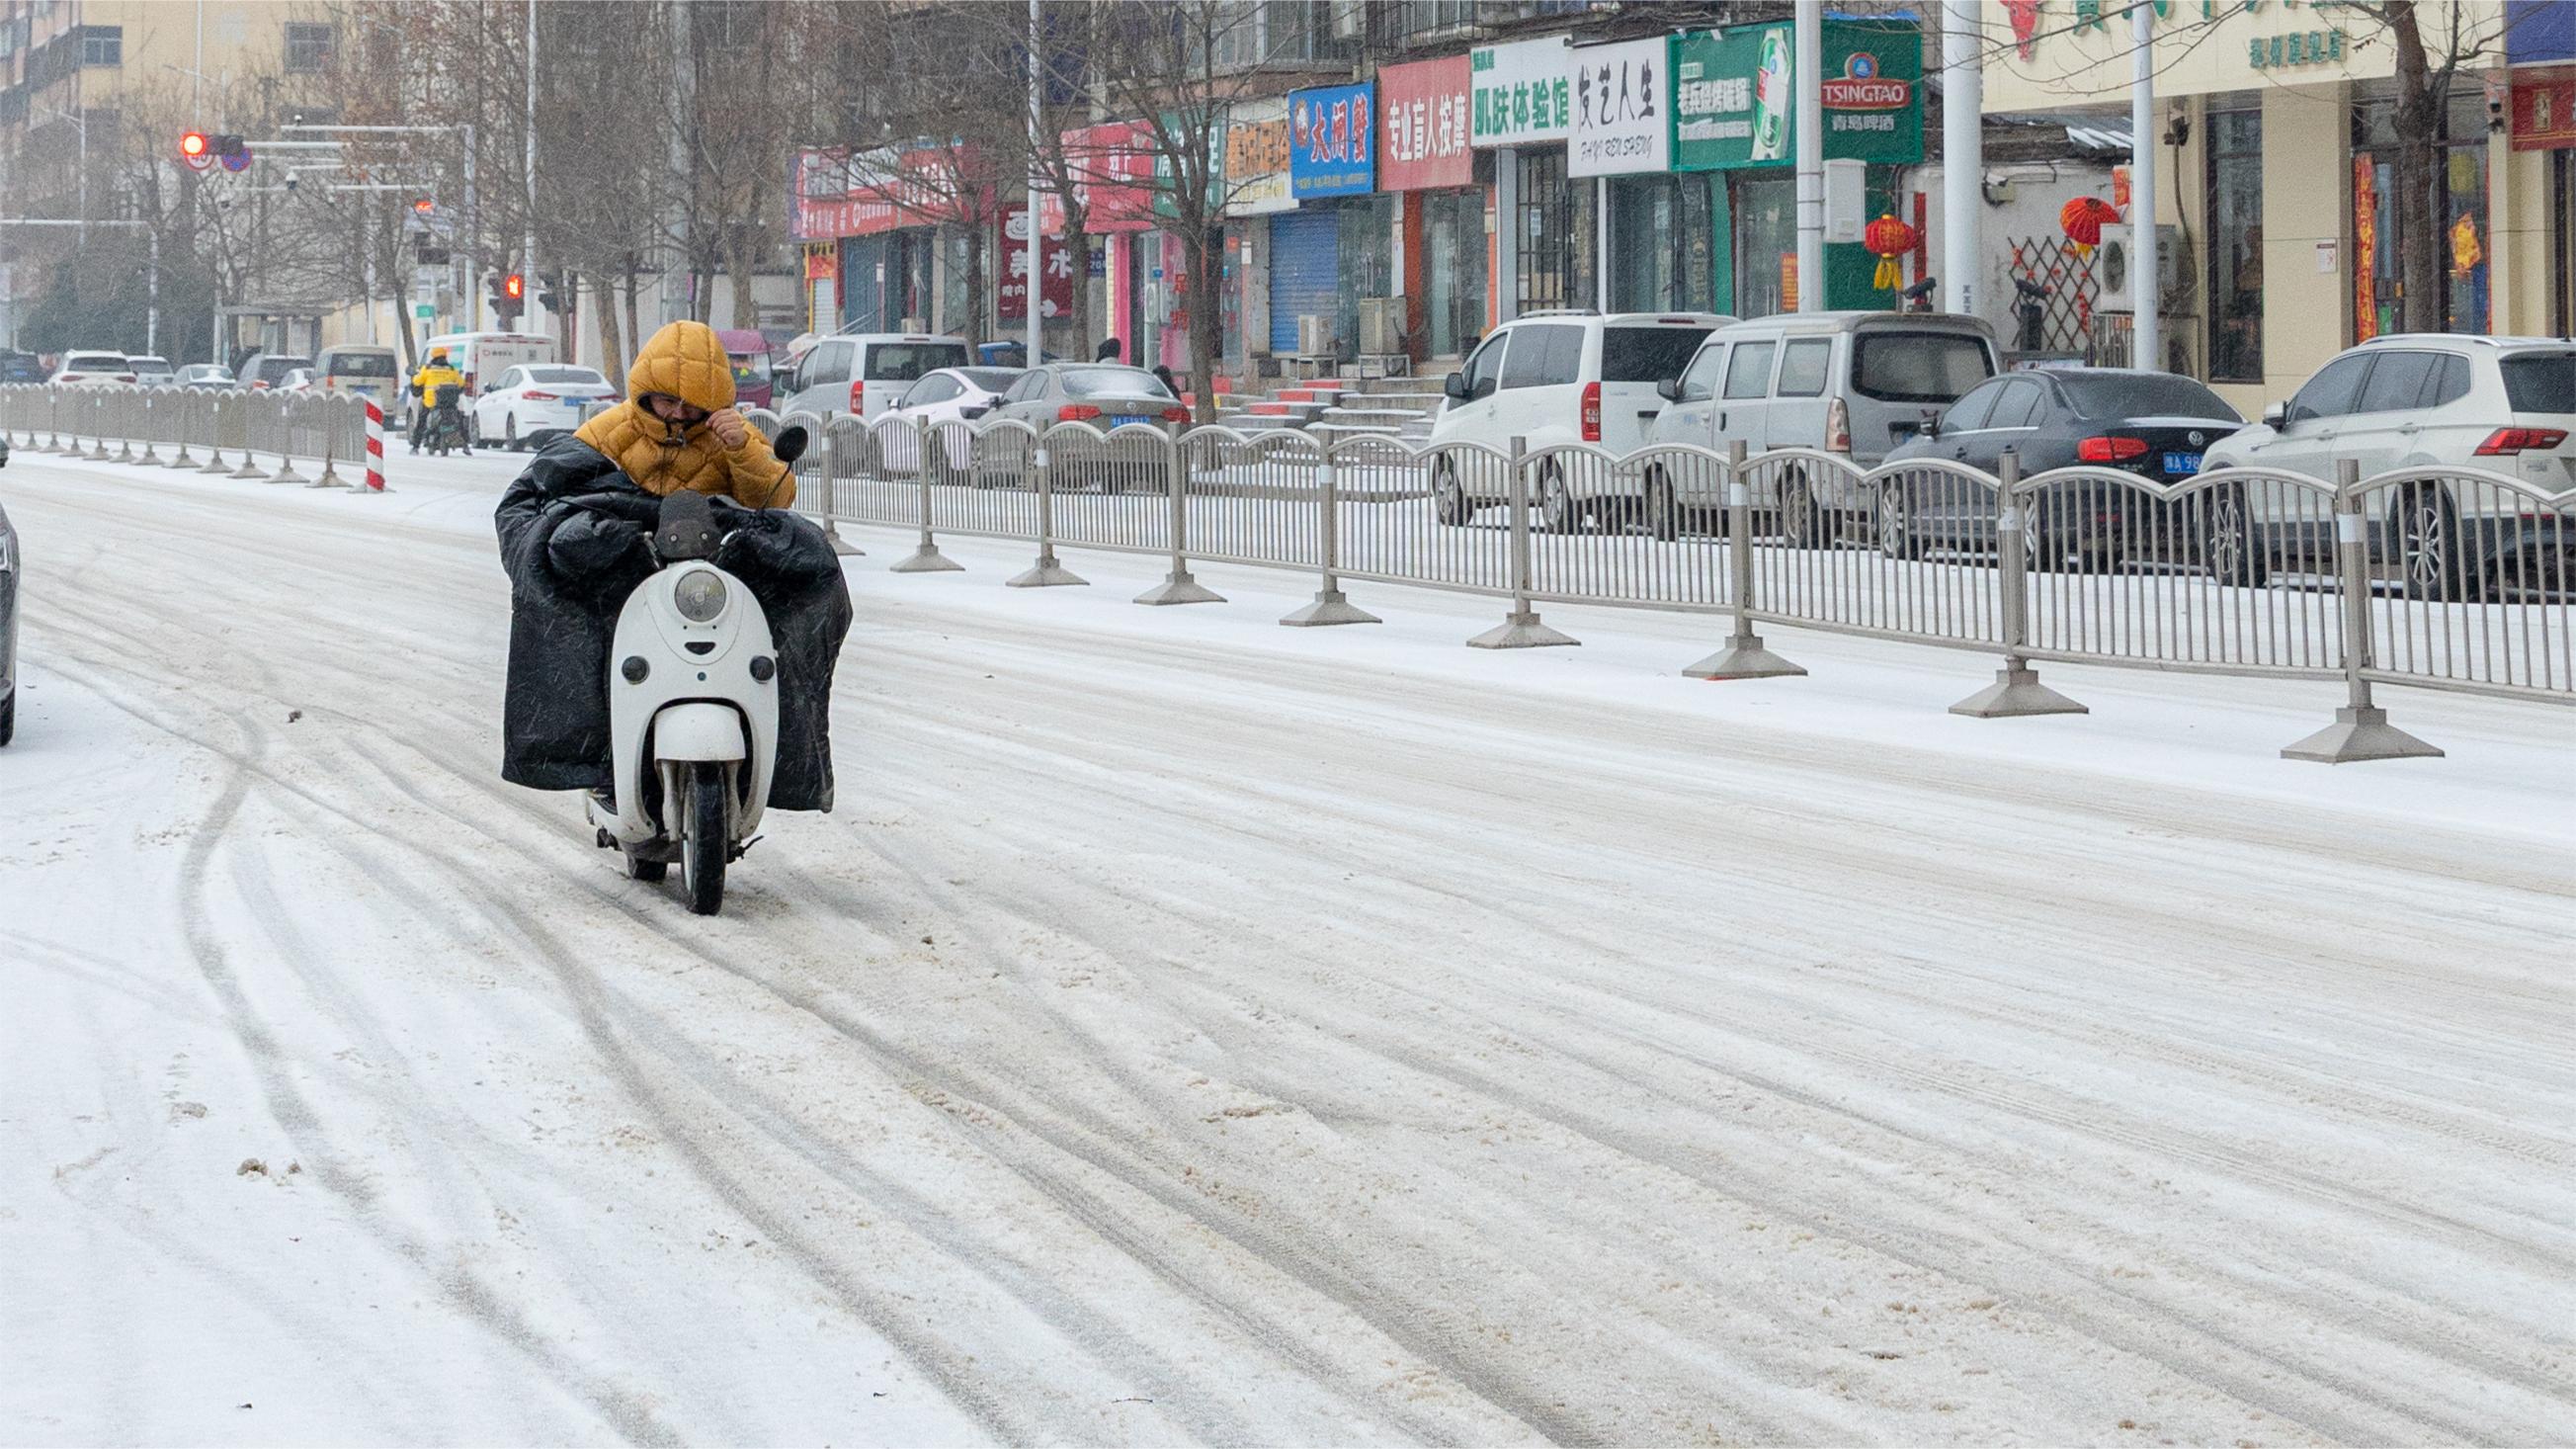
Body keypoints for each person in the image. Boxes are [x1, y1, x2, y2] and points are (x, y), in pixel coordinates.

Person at [493, 320, 846, 814]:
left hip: (707, 570)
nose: (679, 414)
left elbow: (774, 499)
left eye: (692, 404)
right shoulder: (608, 431)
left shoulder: (731, 433)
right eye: (666, 401)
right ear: (645, 394)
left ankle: (777, 755)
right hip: (628, 570)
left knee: (806, 572)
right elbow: (549, 492)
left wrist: (741, 450)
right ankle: (595, 759)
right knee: (586, 631)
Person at [409, 348, 463, 453]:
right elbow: (461, 384)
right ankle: (462, 440)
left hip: (430, 402)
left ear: (433, 357)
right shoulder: (451, 370)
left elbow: (416, 382)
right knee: (457, 419)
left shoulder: (427, 369)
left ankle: (415, 447)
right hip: (448, 403)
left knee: (421, 422)